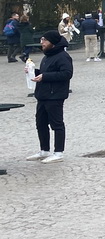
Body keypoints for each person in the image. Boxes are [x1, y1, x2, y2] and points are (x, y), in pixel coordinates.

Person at [25, 30, 73, 164]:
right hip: (43, 95)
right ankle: (44, 150)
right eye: (41, 40)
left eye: (44, 40)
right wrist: (33, 72)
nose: (42, 43)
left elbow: (67, 73)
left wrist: (45, 76)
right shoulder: (47, 56)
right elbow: (46, 72)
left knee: (57, 124)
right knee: (40, 123)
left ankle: (58, 152)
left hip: (55, 95)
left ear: (52, 42)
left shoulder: (63, 56)